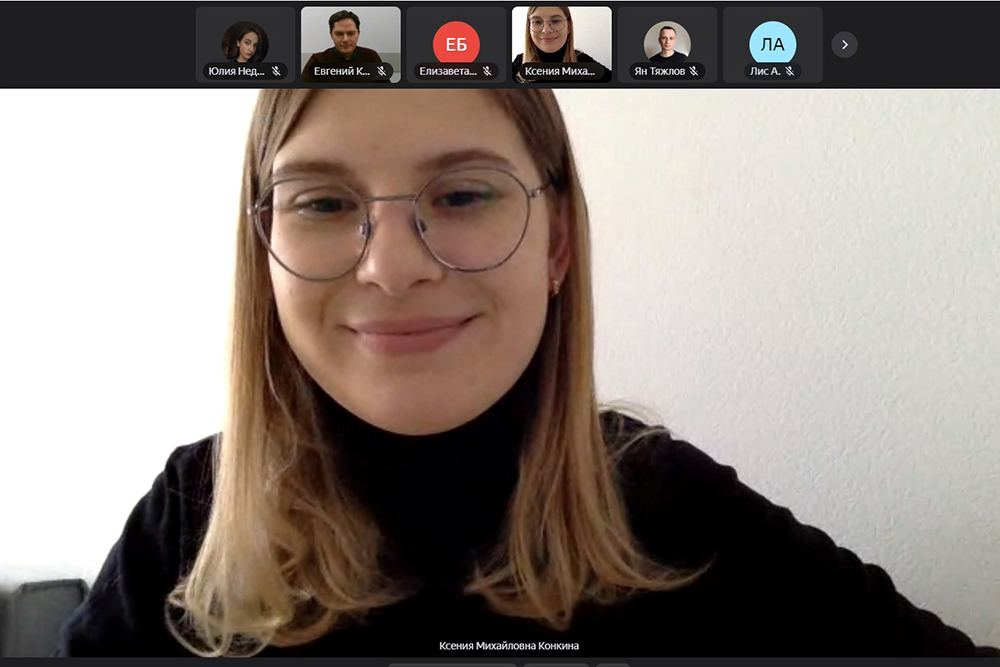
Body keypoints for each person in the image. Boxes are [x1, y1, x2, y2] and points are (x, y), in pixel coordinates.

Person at [55, 89, 999, 658]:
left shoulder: (668, 508)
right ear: (264, 248)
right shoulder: (191, 518)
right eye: (325, 202)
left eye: (463, 193)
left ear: (556, 245)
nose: (392, 266)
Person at [512, 6, 611, 83]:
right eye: (537, 22)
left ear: (568, 27)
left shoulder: (584, 63)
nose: (546, 30)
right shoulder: (518, 65)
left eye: (556, 21)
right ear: (529, 28)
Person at [301, 10, 382, 83]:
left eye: (351, 33)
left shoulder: (371, 58)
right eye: (339, 34)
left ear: (358, 34)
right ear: (331, 35)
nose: (345, 39)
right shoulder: (317, 61)